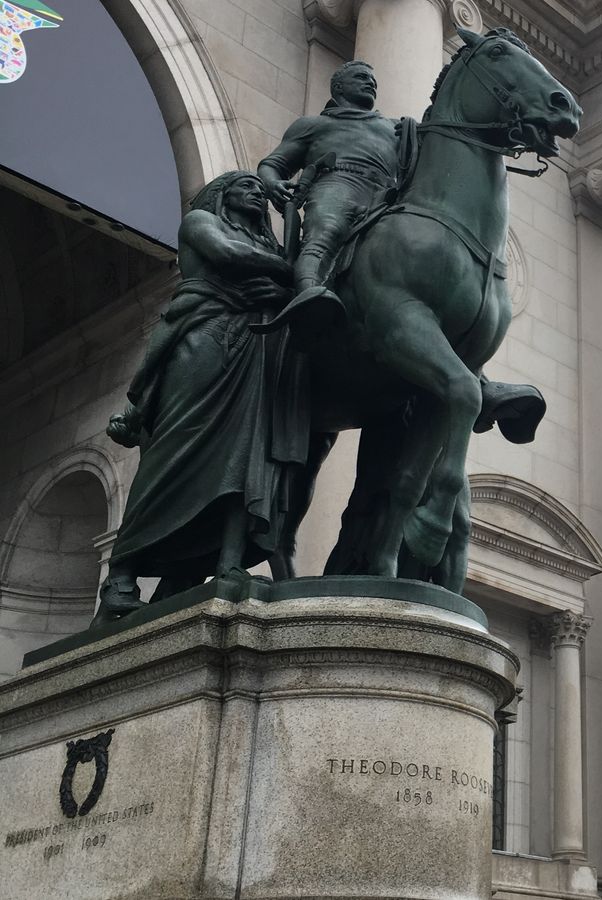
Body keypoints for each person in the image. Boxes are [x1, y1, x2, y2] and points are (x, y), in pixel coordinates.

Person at [94, 172, 307, 624]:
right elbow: (228, 254)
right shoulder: (201, 223)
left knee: (247, 455)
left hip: (254, 344)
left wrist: (282, 278)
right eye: (245, 185)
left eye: (259, 188)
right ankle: (120, 579)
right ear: (221, 195)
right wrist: (289, 268)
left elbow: (283, 284)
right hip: (203, 335)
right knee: (173, 451)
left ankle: (228, 563)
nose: (256, 192)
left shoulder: (267, 245)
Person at [256, 60, 415, 333]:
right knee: (325, 232)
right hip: (336, 183)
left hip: (386, 195)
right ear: (339, 86)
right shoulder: (313, 124)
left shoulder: (394, 128)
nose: (371, 83)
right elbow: (272, 164)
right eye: (362, 77)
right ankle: (309, 295)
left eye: (373, 81)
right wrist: (272, 184)